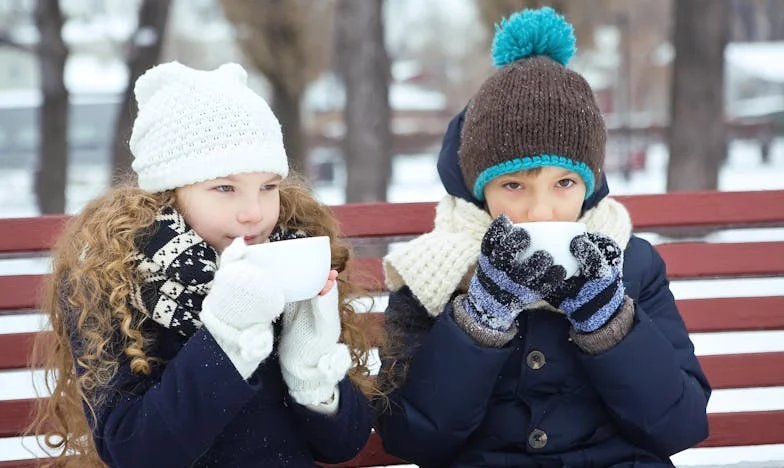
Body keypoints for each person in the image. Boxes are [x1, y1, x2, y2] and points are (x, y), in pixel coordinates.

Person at [374, 7, 710, 467]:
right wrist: (480, 319)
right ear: (479, 188)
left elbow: (681, 423)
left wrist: (608, 322)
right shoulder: (431, 275)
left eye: (564, 184)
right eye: (514, 186)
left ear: (588, 184)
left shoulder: (630, 265)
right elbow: (409, 436)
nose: (540, 210)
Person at [30, 61, 374, 467]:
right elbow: (133, 451)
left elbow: (343, 444)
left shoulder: (287, 256)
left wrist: (310, 368)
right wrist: (227, 339)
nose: (254, 212)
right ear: (169, 193)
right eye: (224, 188)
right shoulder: (114, 275)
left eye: (268, 187)